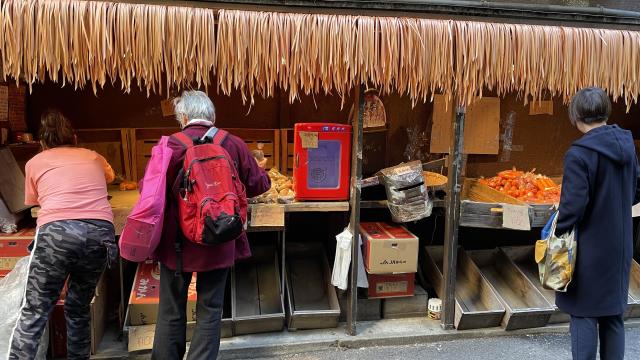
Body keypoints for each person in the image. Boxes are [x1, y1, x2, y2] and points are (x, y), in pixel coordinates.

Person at [152, 90, 270, 359]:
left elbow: (150, 193)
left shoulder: (169, 145)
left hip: (177, 245)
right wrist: (256, 168)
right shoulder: (232, 143)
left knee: (171, 310)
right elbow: (259, 185)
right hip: (219, 237)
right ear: (212, 117)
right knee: (210, 310)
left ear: (182, 117)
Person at [8, 110, 117, 360]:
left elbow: (33, 201)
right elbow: (109, 177)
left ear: (42, 142)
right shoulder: (93, 156)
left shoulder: (34, 163)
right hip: (99, 234)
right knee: (78, 308)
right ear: (75, 138)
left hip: (56, 234)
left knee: (35, 310)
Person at [555, 87, 640, 360]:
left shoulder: (579, 155)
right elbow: (636, 191)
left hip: (589, 249)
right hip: (621, 245)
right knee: (613, 315)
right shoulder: (627, 146)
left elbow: (573, 207)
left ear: (576, 115)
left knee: (583, 314)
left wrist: (558, 231)